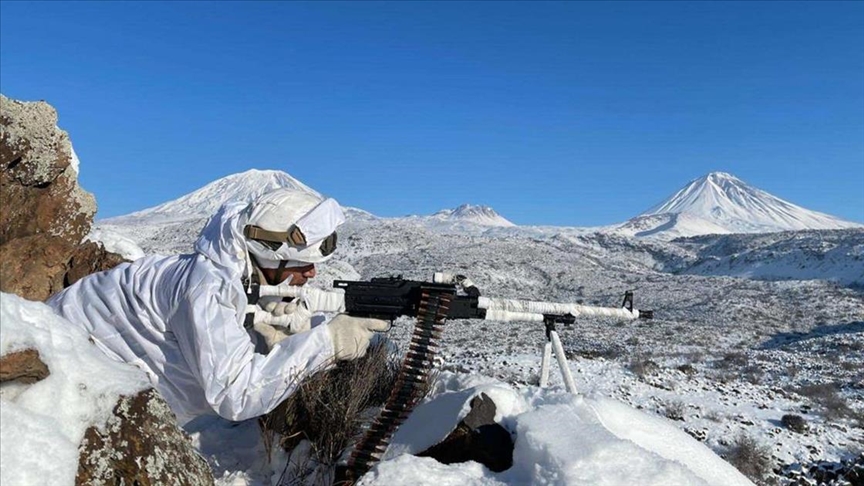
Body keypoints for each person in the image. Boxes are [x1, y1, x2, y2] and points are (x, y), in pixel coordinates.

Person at [48, 188, 388, 425]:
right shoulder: (207, 288)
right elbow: (235, 395)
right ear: (266, 253)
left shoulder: (229, 268)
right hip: (57, 372)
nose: (311, 273)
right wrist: (328, 342)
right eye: (301, 263)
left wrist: (262, 328)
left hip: (72, 354)